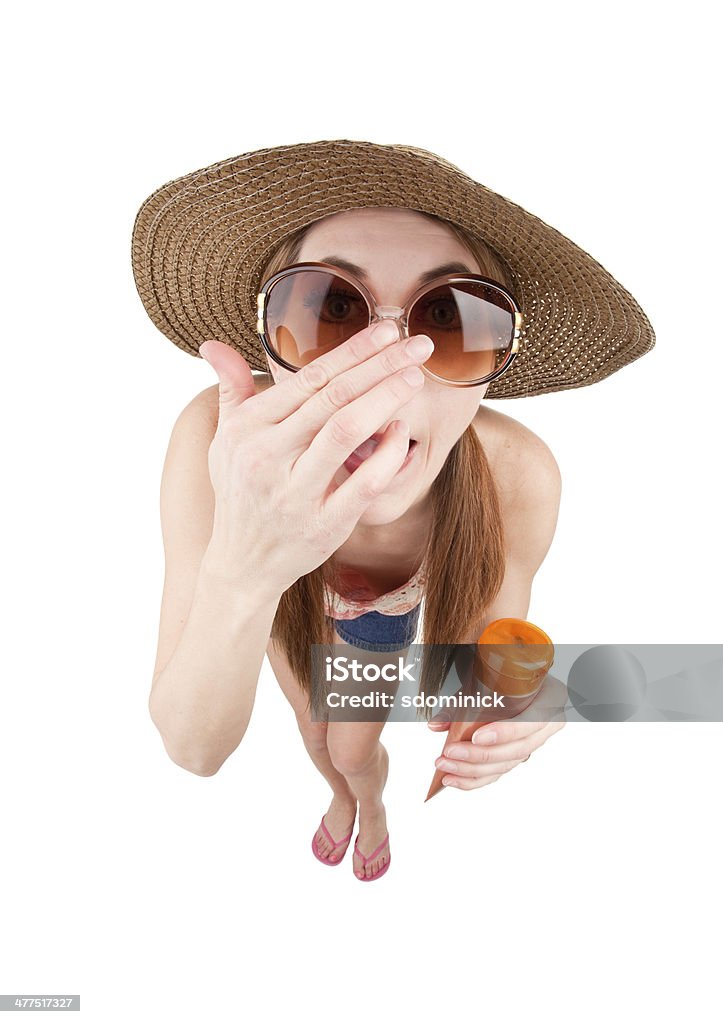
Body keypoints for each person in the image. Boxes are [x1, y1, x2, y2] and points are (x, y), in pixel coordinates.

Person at [131, 140, 655, 881]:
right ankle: (340, 798)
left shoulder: (517, 471)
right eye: (330, 310)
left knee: (349, 746)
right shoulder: (212, 438)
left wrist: (520, 700)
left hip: (379, 622)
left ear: (495, 363)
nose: (387, 375)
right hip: (281, 599)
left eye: (446, 317)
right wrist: (246, 569)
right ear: (264, 340)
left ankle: (368, 800)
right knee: (315, 738)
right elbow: (194, 747)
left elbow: (475, 666)